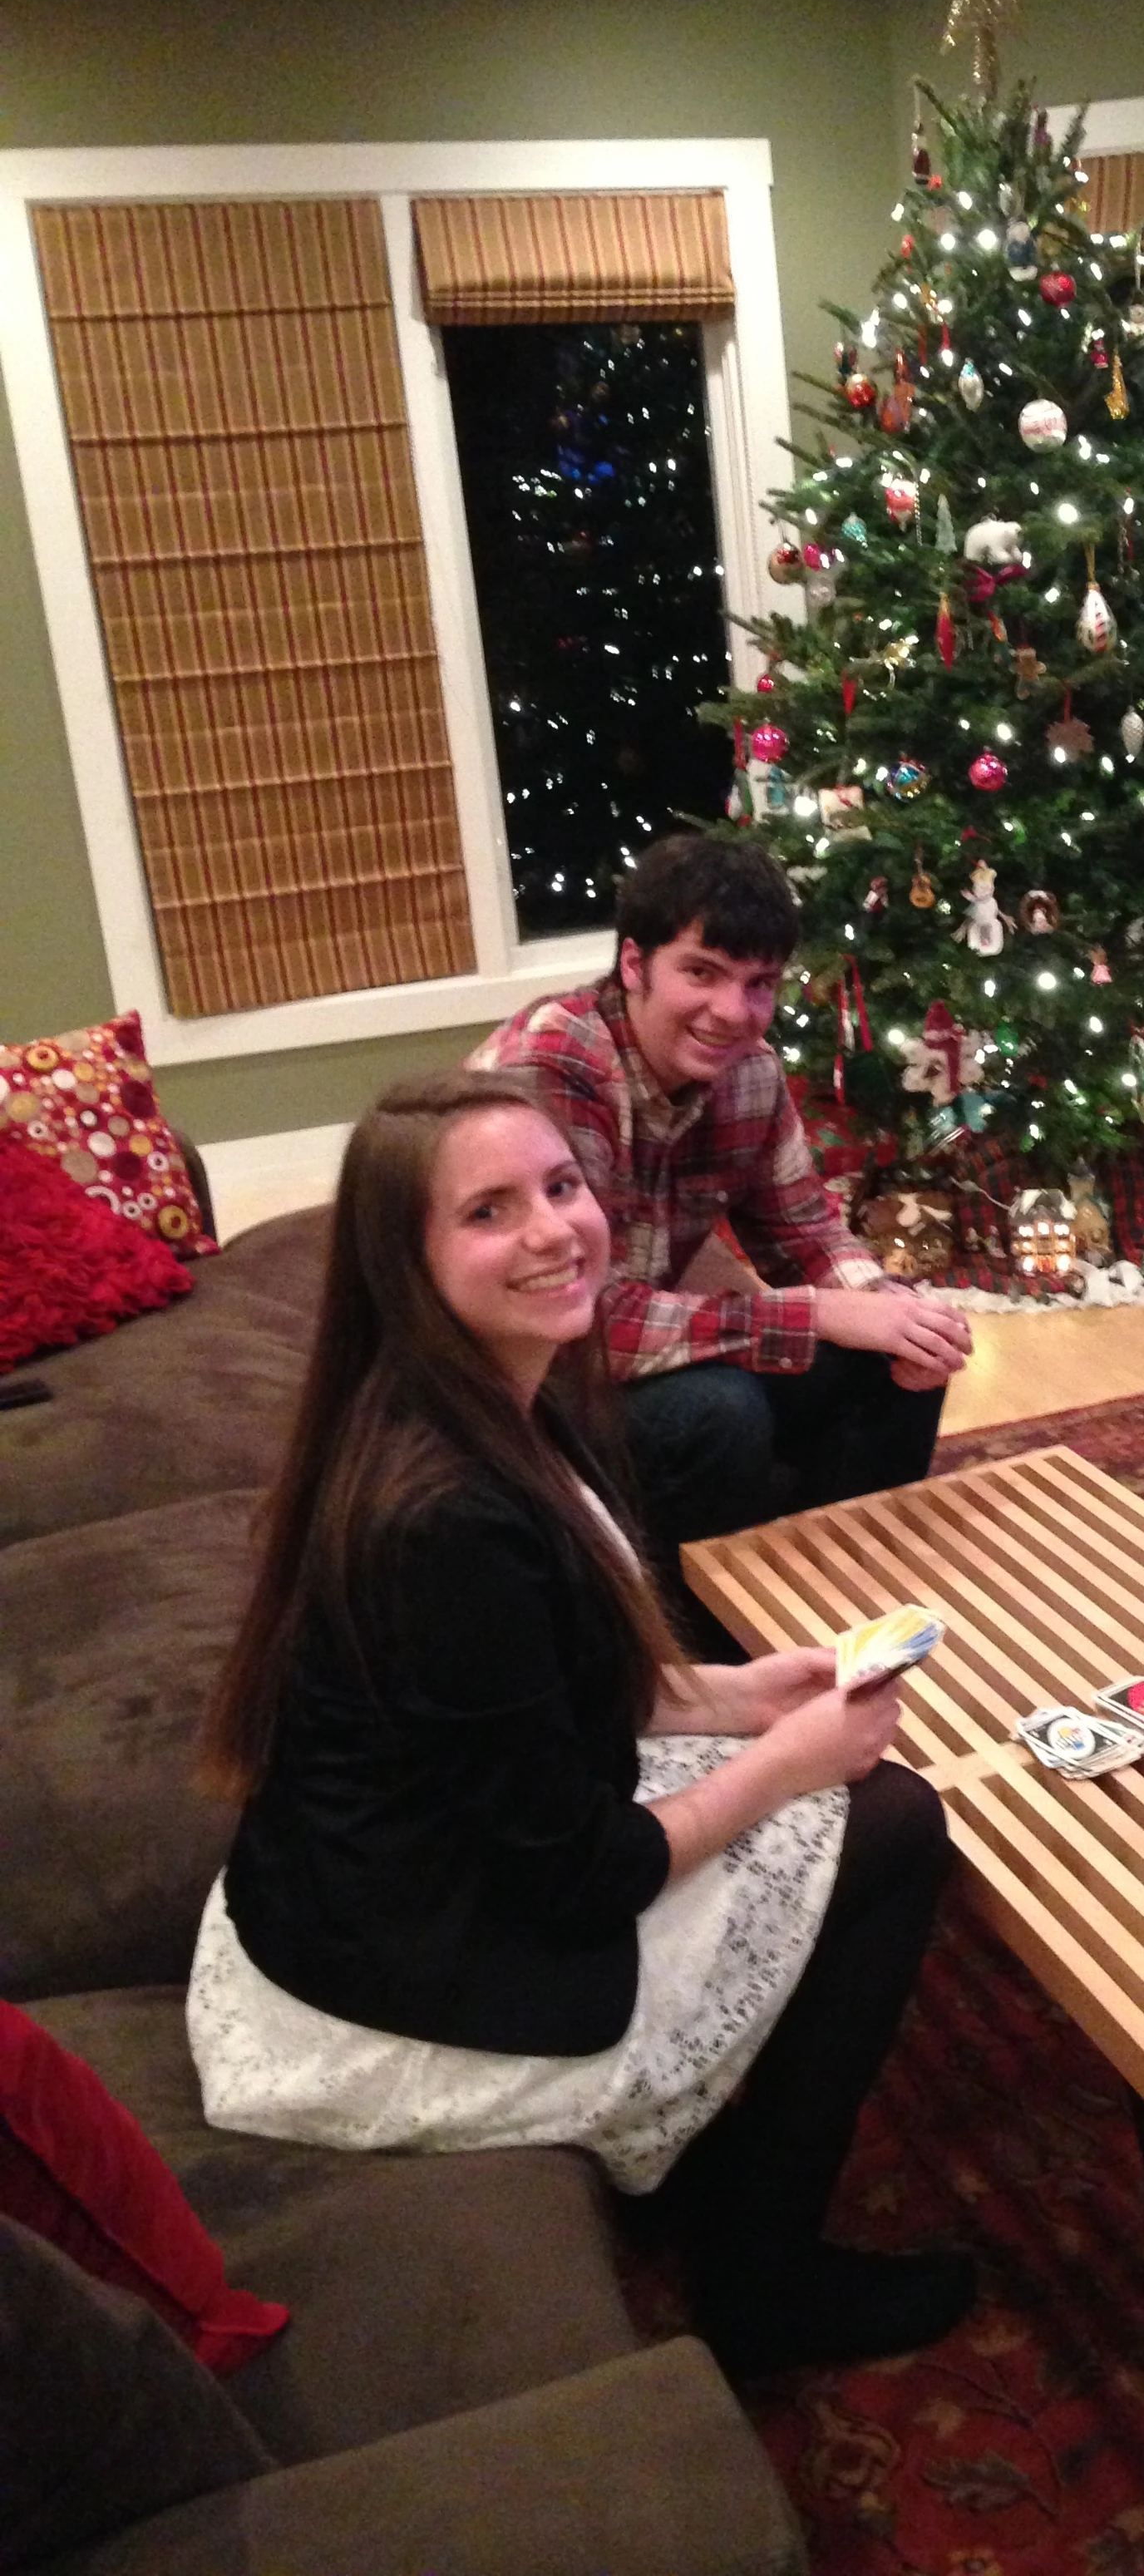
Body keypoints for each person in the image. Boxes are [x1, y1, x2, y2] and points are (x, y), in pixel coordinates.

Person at [188, 1070, 974, 2376]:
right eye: (490, 1212)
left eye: (560, 1186)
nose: (555, 1229)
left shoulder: (502, 1399)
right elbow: (579, 1878)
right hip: (403, 1976)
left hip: (393, 1868)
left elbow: (552, 1678)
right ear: (406, 1259)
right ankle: (761, 2280)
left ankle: (728, 2166)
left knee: (808, 1778)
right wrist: (787, 1762)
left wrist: (739, 1693)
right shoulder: (441, 1515)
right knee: (892, 1824)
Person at [471, 833, 972, 1590]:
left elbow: (805, 1226)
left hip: (628, 1344)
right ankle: (704, 1647)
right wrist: (815, 1313)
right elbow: (581, 1323)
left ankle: (843, 1597)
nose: (733, 1012)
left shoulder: (751, 1076)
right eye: (701, 973)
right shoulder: (554, 1069)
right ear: (634, 964)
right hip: (511, 1380)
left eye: (760, 983)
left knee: (899, 1357)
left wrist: (883, 1303)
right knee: (715, 1412)